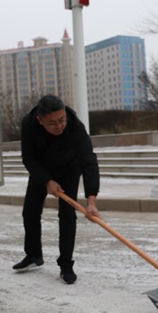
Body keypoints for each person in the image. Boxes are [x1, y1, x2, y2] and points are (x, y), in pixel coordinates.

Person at [13, 94, 100, 284]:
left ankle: (66, 265)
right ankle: (34, 255)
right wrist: (46, 181)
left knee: (67, 215)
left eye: (62, 120)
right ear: (40, 120)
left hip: (69, 169)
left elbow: (88, 160)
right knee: (30, 211)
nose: (59, 126)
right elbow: (28, 158)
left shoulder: (75, 126)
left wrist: (91, 200)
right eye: (52, 123)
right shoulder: (29, 123)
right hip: (41, 168)